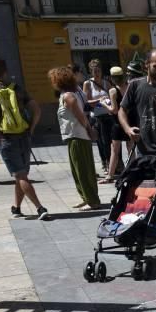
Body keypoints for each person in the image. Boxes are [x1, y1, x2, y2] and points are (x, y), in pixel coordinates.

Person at [0, 55, 49, 220]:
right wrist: (31, 129)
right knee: (20, 175)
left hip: (5, 139)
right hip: (24, 136)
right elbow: (36, 109)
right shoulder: (17, 88)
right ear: (6, 71)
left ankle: (40, 208)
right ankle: (16, 208)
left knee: (20, 176)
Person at [48, 66, 101, 211]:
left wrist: (89, 130)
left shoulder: (69, 96)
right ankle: (87, 198)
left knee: (83, 170)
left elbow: (80, 116)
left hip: (78, 136)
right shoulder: (70, 94)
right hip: (74, 136)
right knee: (78, 170)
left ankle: (93, 201)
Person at [100, 66, 130, 184]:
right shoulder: (129, 87)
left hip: (117, 123)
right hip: (129, 122)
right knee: (131, 149)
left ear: (112, 78)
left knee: (114, 150)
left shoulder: (113, 91)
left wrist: (103, 104)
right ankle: (132, 172)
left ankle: (110, 176)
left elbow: (114, 110)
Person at [83, 59, 114, 173]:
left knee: (110, 141)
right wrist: (99, 100)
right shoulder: (87, 84)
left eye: (98, 71)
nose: (97, 73)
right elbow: (86, 102)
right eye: (94, 71)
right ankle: (104, 163)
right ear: (91, 72)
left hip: (108, 115)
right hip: (96, 117)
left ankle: (112, 163)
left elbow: (113, 96)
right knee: (100, 141)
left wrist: (109, 100)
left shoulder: (107, 82)